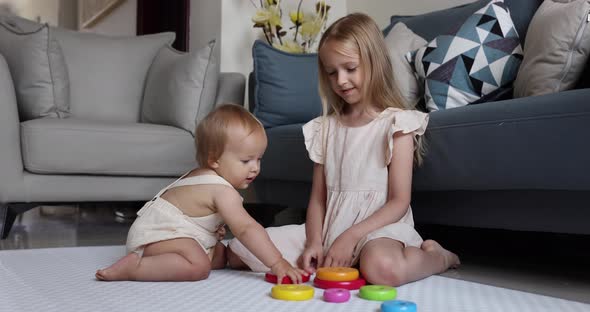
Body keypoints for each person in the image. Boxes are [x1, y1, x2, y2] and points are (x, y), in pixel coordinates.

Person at [227, 13, 460, 286]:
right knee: (240, 251)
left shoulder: (398, 124)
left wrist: (350, 238)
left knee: (382, 268)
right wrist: (314, 242)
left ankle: (438, 257)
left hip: (379, 232)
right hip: (329, 230)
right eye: (332, 72)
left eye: (350, 68)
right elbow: (318, 200)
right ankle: (340, 255)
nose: (340, 80)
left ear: (374, 63)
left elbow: (399, 202)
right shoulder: (324, 129)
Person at [96, 104, 306, 283]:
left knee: (221, 256)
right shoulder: (222, 190)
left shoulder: (201, 177)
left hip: (170, 234)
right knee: (199, 266)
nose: (255, 168)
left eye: (258, 159)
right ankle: (137, 268)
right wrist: (277, 262)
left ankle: (161, 260)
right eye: (246, 161)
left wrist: (213, 230)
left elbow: (194, 217)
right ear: (215, 159)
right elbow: (246, 228)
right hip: (159, 237)